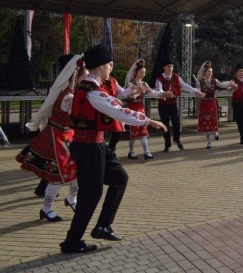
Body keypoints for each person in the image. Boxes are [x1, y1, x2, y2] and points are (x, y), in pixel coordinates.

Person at [60, 44, 167, 254]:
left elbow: (115, 102)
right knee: (91, 195)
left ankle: (102, 226)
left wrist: (130, 96)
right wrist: (149, 121)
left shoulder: (94, 87)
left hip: (97, 144)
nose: (111, 68)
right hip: (89, 147)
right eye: (109, 65)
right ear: (100, 67)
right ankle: (72, 241)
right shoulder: (91, 90)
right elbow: (118, 110)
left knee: (119, 178)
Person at [16, 54, 85, 222]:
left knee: (76, 171)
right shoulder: (69, 95)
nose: (88, 77)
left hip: (66, 136)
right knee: (57, 177)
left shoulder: (70, 91)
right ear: (78, 75)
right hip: (59, 137)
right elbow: (73, 118)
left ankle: (71, 199)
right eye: (86, 74)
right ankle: (46, 208)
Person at [124, 59, 172, 160]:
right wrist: (137, 91)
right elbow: (129, 95)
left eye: (144, 73)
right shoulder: (131, 83)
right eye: (141, 72)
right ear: (136, 72)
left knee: (143, 129)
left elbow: (152, 93)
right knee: (133, 130)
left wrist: (162, 94)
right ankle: (131, 151)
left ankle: (147, 152)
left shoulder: (144, 84)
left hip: (140, 108)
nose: (143, 74)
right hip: (132, 107)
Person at [155, 59, 203, 152]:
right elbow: (159, 90)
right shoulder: (159, 79)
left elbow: (185, 86)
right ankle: (167, 144)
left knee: (176, 123)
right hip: (163, 105)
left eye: (171, 66)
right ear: (164, 67)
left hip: (172, 104)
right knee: (165, 125)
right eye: (168, 66)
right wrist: (165, 93)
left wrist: (196, 91)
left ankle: (176, 139)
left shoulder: (176, 77)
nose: (170, 68)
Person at [195, 61, 233, 149]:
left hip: (212, 103)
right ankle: (209, 142)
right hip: (204, 104)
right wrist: (199, 93)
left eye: (211, 72)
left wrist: (231, 82)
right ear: (204, 72)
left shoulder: (214, 81)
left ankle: (214, 133)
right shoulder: (199, 82)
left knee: (213, 121)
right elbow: (197, 91)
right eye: (208, 72)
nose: (210, 73)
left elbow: (223, 85)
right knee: (206, 122)